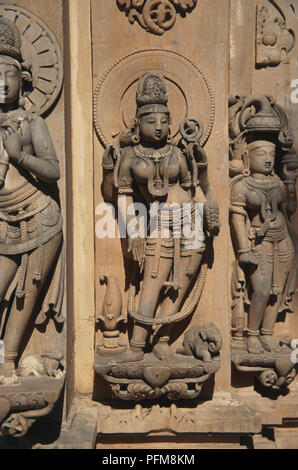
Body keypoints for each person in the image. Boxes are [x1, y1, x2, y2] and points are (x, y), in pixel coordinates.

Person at [102, 72, 219, 362]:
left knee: (183, 280)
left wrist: (207, 210)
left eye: (164, 122)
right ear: (138, 123)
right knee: (153, 281)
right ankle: (137, 345)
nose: (158, 128)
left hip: (189, 221)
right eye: (151, 122)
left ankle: (163, 339)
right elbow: (122, 196)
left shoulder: (177, 154)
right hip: (158, 222)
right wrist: (134, 234)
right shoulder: (130, 157)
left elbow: (195, 190)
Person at [0, 18, 64, 372]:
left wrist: (20, 154)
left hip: (39, 214)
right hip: (1, 216)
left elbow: (54, 170)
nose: (2, 83)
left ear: (20, 79)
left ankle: (8, 362)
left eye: (9, 74)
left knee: (28, 290)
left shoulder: (31, 122)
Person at [230, 136, 297, 354]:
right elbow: (237, 218)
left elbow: (289, 210)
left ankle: (267, 333)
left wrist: (290, 180)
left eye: (271, 155)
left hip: (283, 239)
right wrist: (243, 249)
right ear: (248, 158)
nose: (268, 159)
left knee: (277, 290)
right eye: (262, 154)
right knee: (261, 288)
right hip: (259, 241)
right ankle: (252, 334)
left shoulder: (277, 183)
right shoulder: (241, 186)